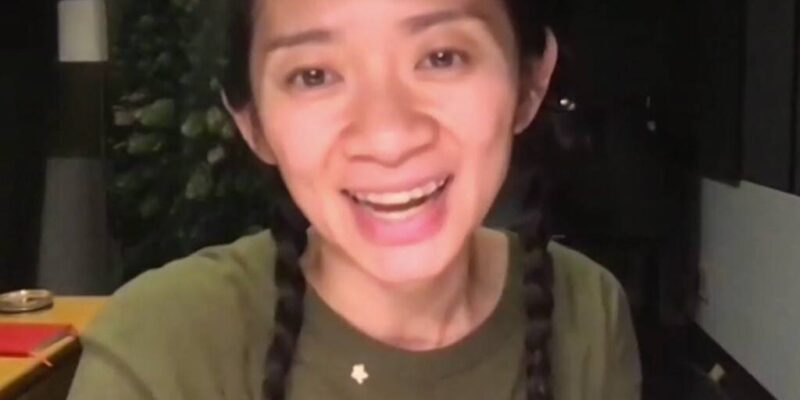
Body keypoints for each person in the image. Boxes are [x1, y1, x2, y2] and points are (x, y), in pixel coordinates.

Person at [67, 0, 641, 398]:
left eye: (442, 57)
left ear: (530, 83)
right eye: (314, 75)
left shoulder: (585, 313)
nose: (388, 137)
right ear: (252, 122)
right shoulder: (163, 351)